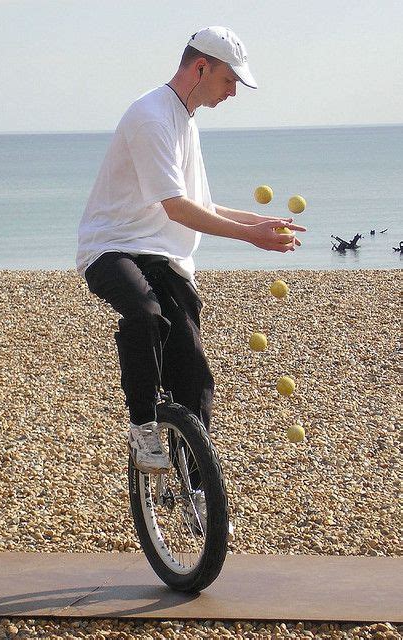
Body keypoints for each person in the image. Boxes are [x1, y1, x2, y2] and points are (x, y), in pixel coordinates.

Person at [77, 26, 306, 479]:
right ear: (201, 66)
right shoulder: (151, 117)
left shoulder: (185, 121)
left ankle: (193, 485)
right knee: (144, 313)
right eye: (229, 80)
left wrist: (256, 223)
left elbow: (201, 203)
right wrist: (249, 238)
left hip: (165, 258)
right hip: (112, 247)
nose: (233, 92)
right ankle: (143, 426)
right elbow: (177, 208)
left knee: (195, 377)